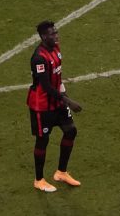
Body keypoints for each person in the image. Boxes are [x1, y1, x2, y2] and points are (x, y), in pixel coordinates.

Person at [27, 20, 83, 193]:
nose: (56, 36)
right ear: (44, 37)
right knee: (42, 140)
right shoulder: (39, 58)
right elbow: (46, 87)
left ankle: (61, 172)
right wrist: (69, 101)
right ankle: (39, 180)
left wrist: (64, 95)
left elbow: (57, 79)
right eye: (52, 34)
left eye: (56, 32)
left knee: (71, 131)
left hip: (57, 102)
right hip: (41, 106)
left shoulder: (56, 49)